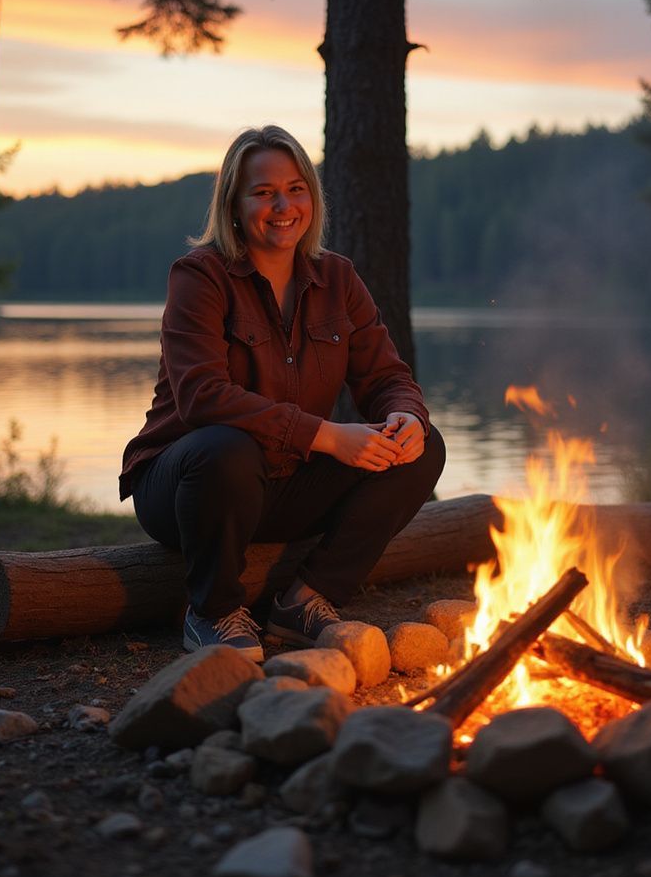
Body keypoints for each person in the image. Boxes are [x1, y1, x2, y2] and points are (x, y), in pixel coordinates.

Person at [120, 124, 446, 662]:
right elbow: (202, 396)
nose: (282, 205)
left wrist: (405, 416)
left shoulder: (337, 279)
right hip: (186, 486)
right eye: (263, 192)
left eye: (295, 188)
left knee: (421, 447)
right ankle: (212, 612)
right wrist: (325, 435)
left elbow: (387, 378)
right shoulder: (199, 277)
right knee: (226, 447)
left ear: (312, 199)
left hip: (283, 483)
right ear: (233, 203)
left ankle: (306, 603)